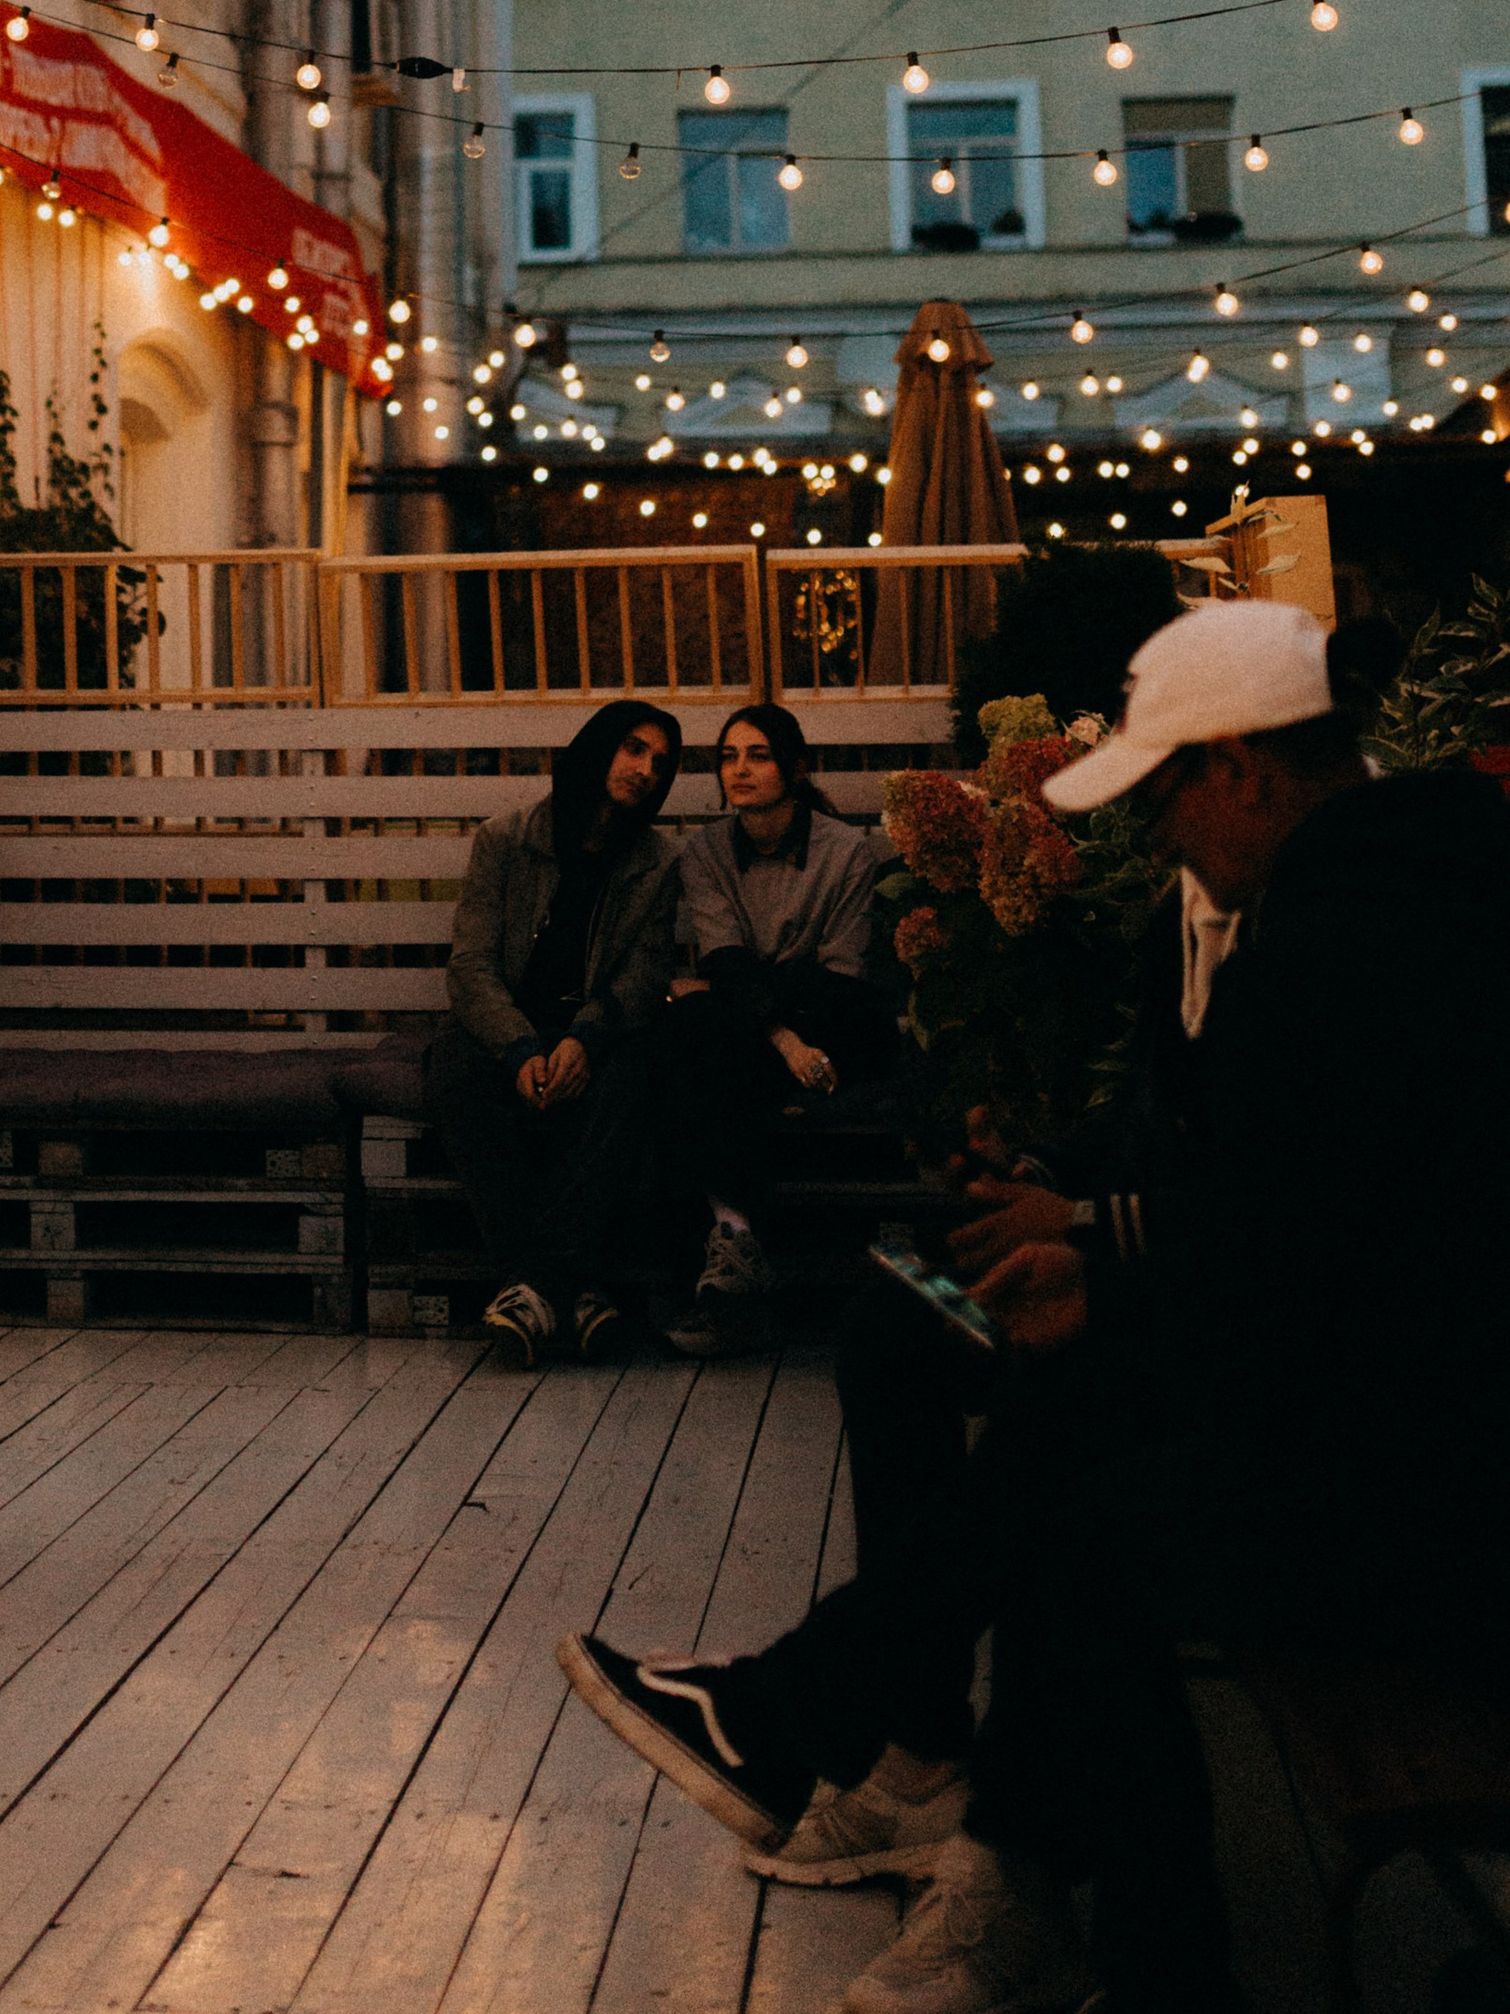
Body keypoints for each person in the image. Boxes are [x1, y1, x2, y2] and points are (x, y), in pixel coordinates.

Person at [558, 597, 1510, 2014]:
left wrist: (1107, 1252)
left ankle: (856, 1754)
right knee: (981, 1374)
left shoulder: (1346, 937)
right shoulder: (1362, 894)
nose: (1157, 837)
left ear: (1241, 766)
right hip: (1378, 1412)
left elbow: (1341, 1242)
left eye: (1166, 794)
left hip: (1430, 1490)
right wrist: (1080, 1215)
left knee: (1077, 1509)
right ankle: (900, 1783)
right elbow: (1297, 1218)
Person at [426, 699, 685, 1368]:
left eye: (660, 762)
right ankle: (569, 1290)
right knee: (452, 1066)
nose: (645, 769)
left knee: (637, 1073)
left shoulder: (657, 862)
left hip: (589, 1034)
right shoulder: (506, 839)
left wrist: (585, 1040)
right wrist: (518, 1047)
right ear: (598, 748)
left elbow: (641, 977)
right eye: (633, 748)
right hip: (509, 1025)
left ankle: (533, 1287)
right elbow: (471, 965)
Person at [663, 699, 888, 1359]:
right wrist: (782, 1039)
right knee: (699, 1029)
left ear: (794, 766)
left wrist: (739, 992)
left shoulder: (846, 851)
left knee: (704, 1025)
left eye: (758, 755)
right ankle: (734, 1241)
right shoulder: (704, 853)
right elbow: (724, 956)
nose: (740, 769)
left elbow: (837, 979)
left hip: (830, 1022)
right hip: (767, 1038)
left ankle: (728, 1259)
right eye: (728, 756)